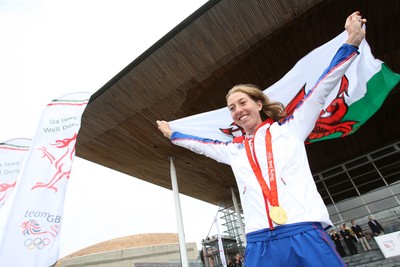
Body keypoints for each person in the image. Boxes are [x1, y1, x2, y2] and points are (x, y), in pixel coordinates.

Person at [157, 11, 366, 267]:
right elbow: (200, 146)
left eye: (241, 102)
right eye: (231, 107)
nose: (237, 110)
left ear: (258, 103)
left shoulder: (290, 128)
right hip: (259, 241)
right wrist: (172, 134)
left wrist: (351, 43)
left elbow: (321, 88)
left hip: (302, 230)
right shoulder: (232, 149)